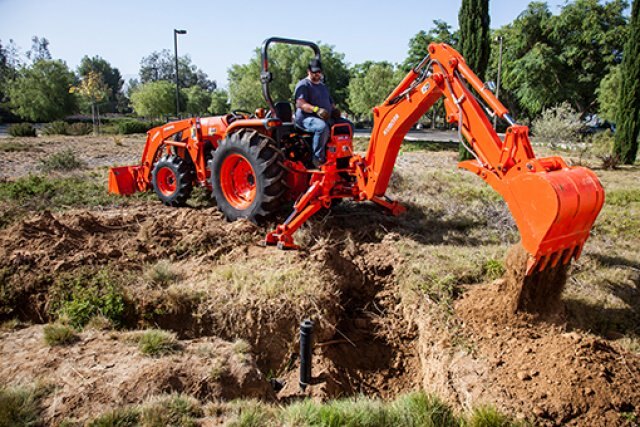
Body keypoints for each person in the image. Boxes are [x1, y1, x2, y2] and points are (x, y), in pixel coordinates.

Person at [294, 58, 353, 167]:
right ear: (308, 71)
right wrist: (316, 110)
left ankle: (344, 155)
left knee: (348, 126)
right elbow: (301, 104)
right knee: (321, 127)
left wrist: (334, 110)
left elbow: (330, 102)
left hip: (325, 117)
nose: (317, 74)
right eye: (314, 72)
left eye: (319, 72)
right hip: (306, 118)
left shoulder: (322, 86)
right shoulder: (303, 85)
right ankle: (318, 159)